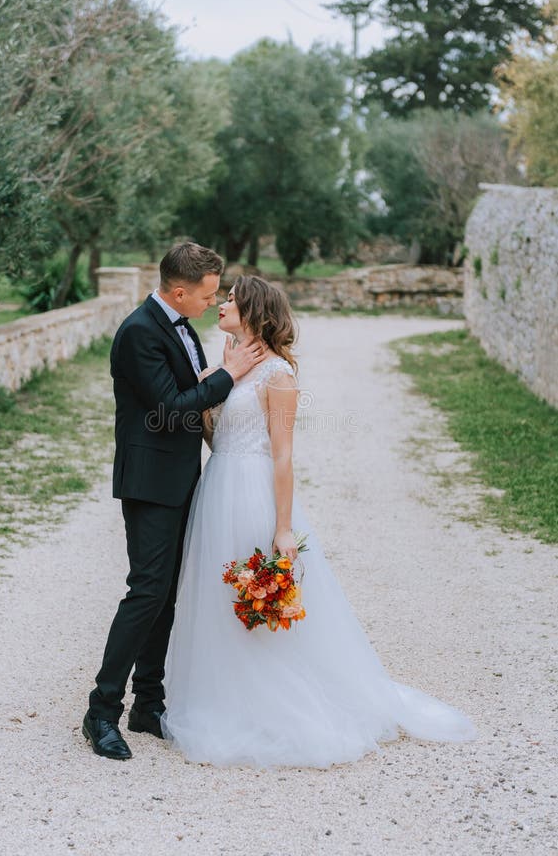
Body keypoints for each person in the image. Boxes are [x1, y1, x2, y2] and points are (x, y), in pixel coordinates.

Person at [161, 275, 476, 768]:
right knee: (217, 597)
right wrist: (217, 379)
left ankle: (274, 702)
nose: (222, 303)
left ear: (253, 311)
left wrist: (283, 528)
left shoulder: (278, 375)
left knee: (255, 596)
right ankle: (221, 695)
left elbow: (283, 457)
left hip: (252, 494)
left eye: (231, 299)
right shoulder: (228, 364)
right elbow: (213, 434)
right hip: (217, 486)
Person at [83, 244, 265, 760]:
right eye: (208, 295)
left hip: (182, 478)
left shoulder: (181, 327)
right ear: (179, 292)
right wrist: (230, 375)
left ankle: (148, 704)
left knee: (167, 594)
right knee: (146, 591)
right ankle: (101, 711)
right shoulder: (140, 332)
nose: (213, 303)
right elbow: (170, 407)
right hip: (150, 482)